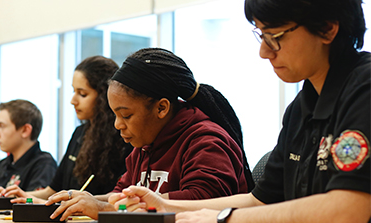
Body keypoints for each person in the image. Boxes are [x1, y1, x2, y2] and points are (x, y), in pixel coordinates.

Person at [107, 0, 371, 222]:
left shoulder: (364, 90)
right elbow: (258, 201)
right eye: (261, 36)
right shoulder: (301, 109)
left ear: (327, 29)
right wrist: (163, 205)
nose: (264, 51)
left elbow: (350, 208)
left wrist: (225, 218)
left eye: (275, 37)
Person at [45, 48, 254, 221]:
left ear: (161, 108)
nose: (118, 125)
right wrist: (84, 199)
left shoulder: (206, 142)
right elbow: (120, 195)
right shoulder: (144, 145)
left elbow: (200, 205)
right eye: (115, 115)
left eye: (126, 115)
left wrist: (103, 209)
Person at [0, 56, 132, 203]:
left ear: (104, 95)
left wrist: (76, 202)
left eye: (82, 94)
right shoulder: (79, 134)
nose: (73, 100)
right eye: (73, 91)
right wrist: (19, 194)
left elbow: (118, 197)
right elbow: (54, 190)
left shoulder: (123, 138)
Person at [0, 99, 57, 196]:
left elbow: (34, 206)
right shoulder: (1, 166)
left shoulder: (44, 165)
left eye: (2, 126)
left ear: (25, 130)